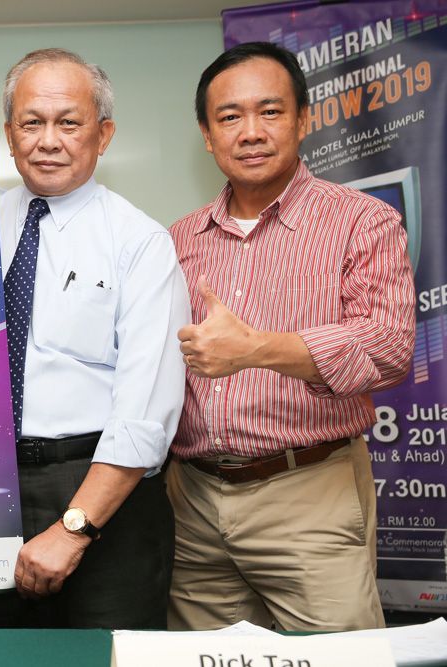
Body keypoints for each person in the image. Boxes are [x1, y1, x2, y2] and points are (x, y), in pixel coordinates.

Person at [0, 49, 189, 628]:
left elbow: (145, 413)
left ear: (104, 134)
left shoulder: (139, 242)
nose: (48, 141)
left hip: (102, 491)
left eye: (68, 122)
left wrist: (75, 529)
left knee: (105, 659)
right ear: (8, 135)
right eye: (31, 122)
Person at [168, 42, 415, 631]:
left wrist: (256, 349)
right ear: (207, 135)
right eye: (230, 116)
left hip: (310, 493)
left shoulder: (362, 220)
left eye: (270, 111)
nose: (250, 132)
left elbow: (387, 348)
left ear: (304, 119)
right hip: (192, 503)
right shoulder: (177, 239)